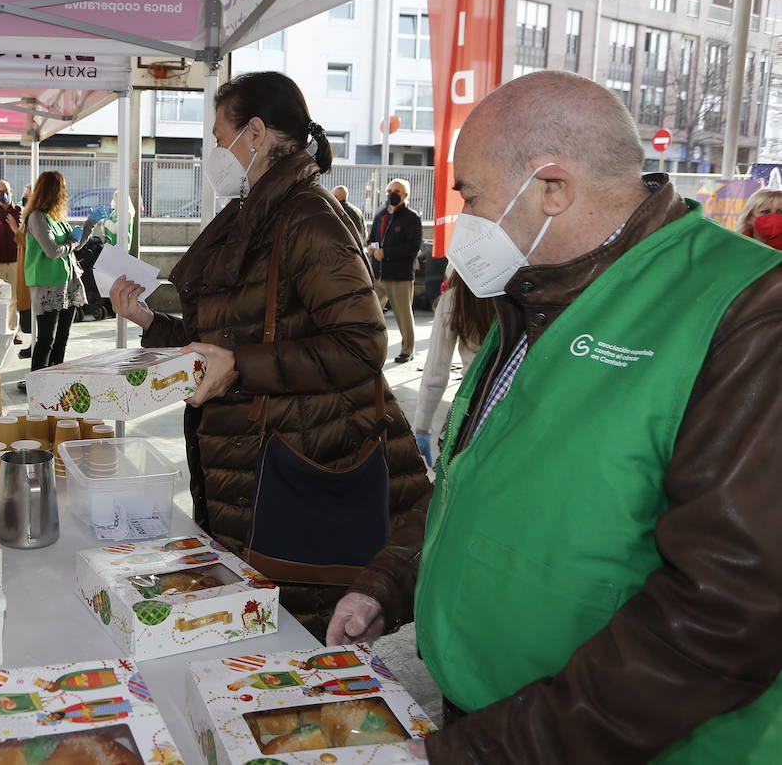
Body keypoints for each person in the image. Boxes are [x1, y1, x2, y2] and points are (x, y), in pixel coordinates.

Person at [326, 71, 782, 763]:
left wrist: (494, 749)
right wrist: (391, 579)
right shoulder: (533, 298)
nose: (464, 222)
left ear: (551, 189)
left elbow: (726, 613)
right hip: (495, 718)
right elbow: (472, 480)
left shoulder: (747, 313)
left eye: (471, 196)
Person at [109, 72, 428, 639]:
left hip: (296, 470)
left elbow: (362, 344)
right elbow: (231, 339)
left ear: (255, 133)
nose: (213, 151)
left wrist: (241, 367)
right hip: (251, 470)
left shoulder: (306, 216)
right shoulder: (255, 215)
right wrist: (151, 323)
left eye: (218, 136)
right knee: (261, 643)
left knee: (302, 645)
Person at [21, 170, 110, 385]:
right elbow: (53, 251)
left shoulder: (56, 218)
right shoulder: (36, 218)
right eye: (62, 190)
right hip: (48, 284)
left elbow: (75, 246)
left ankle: (56, 380)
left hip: (68, 283)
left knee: (62, 337)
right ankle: (37, 383)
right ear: (55, 192)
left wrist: (90, 224)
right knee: (46, 339)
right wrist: (71, 241)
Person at [411, 273, 495, 467]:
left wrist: (422, 429)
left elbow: (435, 374)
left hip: (472, 408)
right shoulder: (521, 292)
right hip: (516, 406)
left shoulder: (454, 299)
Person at [366, 178, 423, 363]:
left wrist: (386, 253)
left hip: (400, 276)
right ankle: (367, 347)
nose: (392, 194)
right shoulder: (380, 214)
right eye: (390, 190)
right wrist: (371, 249)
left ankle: (408, 350)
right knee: (369, 313)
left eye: (397, 191)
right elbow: (372, 237)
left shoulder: (411, 218)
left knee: (403, 315)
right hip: (379, 274)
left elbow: (412, 247)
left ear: (405, 195)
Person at [0, 179, 24, 340]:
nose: (4, 194)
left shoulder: (19, 211)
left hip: (15, 260)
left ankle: (13, 330)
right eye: (0, 192)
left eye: (7, 190)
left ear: (12, 192)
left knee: (14, 299)